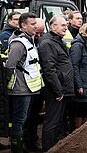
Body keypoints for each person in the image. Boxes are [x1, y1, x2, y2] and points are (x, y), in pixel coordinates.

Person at [5, 12, 43, 152]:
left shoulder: (29, 40)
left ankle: (22, 146)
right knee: (19, 120)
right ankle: (17, 149)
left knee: (24, 119)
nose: (35, 26)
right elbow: (10, 66)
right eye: (32, 24)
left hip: (30, 87)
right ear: (23, 25)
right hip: (21, 89)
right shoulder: (18, 43)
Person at [38, 15, 74, 151]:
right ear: (53, 27)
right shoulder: (47, 43)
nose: (66, 27)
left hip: (62, 88)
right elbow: (49, 69)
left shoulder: (58, 41)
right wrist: (58, 91)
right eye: (63, 25)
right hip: (55, 90)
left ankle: (55, 147)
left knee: (58, 121)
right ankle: (48, 149)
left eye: (66, 25)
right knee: (52, 122)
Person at [69, 23, 87, 128]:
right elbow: (74, 66)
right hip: (83, 88)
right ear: (84, 33)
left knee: (80, 114)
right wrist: (79, 85)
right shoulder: (78, 46)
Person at [22, 18, 45, 152]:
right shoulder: (22, 42)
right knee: (26, 117)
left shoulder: (39, 41)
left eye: (42, 33)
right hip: (26, 87)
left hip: (37, 86)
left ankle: (32, 140)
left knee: (34, 117)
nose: (39, 36)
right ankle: (25, 142)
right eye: (38, 33)